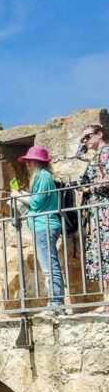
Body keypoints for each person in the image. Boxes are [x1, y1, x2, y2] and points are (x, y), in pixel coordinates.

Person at [12, 146, 64, 315]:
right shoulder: (42, 177)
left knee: (49, 265)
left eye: (29, 161)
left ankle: (56, 303)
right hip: (43, 224)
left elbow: (37, 202)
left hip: (45, 225)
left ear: (36, 161)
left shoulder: (43, 176)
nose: (27, 164)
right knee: (48, 264)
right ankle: (55, 302)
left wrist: (18, 195)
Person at [78, 124, 109, 313]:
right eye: (82, 139)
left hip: (105, 211)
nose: (85, 142)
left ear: (100, 134)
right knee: (102, 256)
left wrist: (90, 189)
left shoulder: (106, 153)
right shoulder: (95, 157)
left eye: (87, 137)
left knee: (106, 254)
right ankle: (107, 300)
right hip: (97, 213)